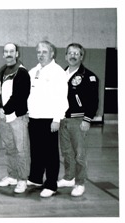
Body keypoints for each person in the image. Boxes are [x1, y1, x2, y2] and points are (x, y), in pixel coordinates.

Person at [27, 40, 69, 198]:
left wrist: (57, 119)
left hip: (49, 119)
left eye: (44, 52)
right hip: (34, 117)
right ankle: (36, 178)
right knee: (36, 150)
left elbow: (62, 98)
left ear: (52, 54)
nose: (41, 55)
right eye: (38, 52)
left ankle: (51, 184)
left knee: (50, 153)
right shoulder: (33, 71)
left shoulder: (58, 72)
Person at [57, 43, 99, 197]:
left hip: (78, 120)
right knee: (67, 151)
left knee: (79, 153)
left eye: (76, 53)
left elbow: (93, 101)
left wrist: (87, 120)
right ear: (66, 56)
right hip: (63, 119)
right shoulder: (60, 74)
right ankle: (69, 177)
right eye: (70, 53)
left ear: (81, 56)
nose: (73, 56)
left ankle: (80, 182)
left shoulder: (89, 76)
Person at [0, 43, 31, 194]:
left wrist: (4, 110)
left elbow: (20, 96)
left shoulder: (22, 72)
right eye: (6, 51)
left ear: (17, 54)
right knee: (9, 148)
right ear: (3, 54)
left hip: (17, 117)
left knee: (21, 150)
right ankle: (12, 176)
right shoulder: (1, 71)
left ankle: (22, 179)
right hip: (4, 117)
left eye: (11, 51)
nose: (8, 54)